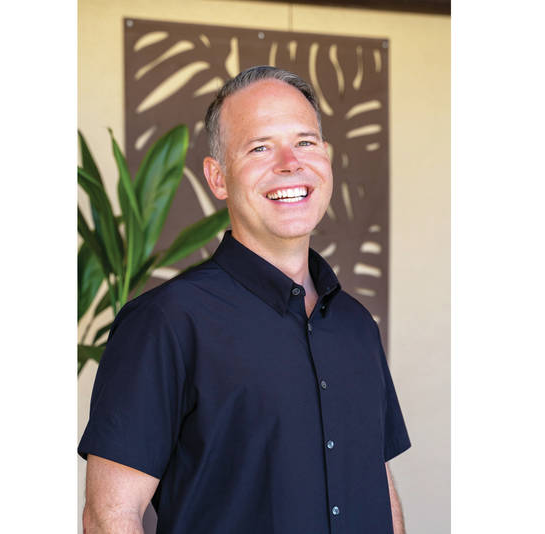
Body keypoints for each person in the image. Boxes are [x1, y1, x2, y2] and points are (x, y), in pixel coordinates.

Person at [79, 66, 411, 533]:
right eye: (260, 147)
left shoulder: (356, 325)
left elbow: (378, 482)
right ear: (217, 178)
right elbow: (109, 516)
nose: (290, 163)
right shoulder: (166, 322)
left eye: (305, 142)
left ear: (327, 158)